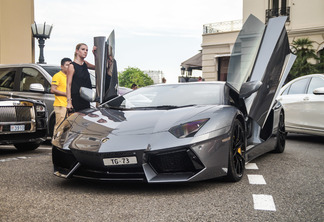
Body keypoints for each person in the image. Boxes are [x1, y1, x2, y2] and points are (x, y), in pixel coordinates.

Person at [66, 43, 95, 112]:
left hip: (86, 97)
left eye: (87, 50)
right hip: (76, 99)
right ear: (77, 51)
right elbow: (68, 85)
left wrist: (95, 54)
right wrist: (69, 102)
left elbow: (98, 67)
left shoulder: (85, 63)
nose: (85, 51)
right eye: (83, 49)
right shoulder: (72, 66)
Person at [50, 57, 72, 138]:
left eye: (70, 65)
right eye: (67, 65)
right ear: (62, 66)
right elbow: (52, 90)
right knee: (59, 125)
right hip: (60, 104)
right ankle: (55, 143)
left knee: (68, 126)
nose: (69, 67)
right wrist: (66, 94)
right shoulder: (57, 76)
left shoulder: (70, 76)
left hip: (69, 105)